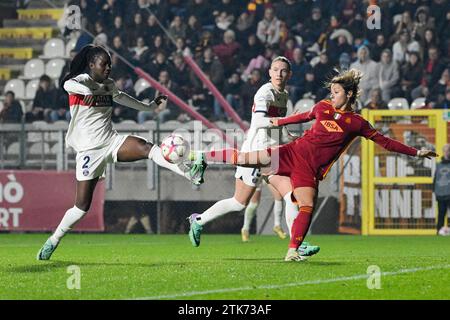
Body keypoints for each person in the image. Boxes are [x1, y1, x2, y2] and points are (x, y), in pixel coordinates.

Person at [189, 69, 438, 261]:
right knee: (245, 162)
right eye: (331, 91)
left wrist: (416, 151)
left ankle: (293, 250)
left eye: (336, 92)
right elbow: (298, 118)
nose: (332, 95)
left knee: (303, 204)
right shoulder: (322, 107)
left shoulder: (357, 123)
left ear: (349, 94)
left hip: (308, 170)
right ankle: (201, 156)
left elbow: (385, 142)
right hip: (290, 152)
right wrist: (274, 123)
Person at [36, 45, 207, 261]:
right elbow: (67, 83)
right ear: (91, 65)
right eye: (103, 64)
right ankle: (53, 240)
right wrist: (88, 92)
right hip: (89, 151)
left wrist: (149, 107)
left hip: (111, 140)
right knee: (81, 208)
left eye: (109, 64)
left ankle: (190, 173)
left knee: (148, 148)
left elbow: (123, 98)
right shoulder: (80, 82)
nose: (108, 68)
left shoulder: (108, 85)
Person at [186, 56, 319, 257]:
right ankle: (199, 217)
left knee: (290, 196)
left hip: (272, 154)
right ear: (269, 72)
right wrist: (285, 121)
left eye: (283, 71)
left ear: (289, 74)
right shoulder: (264, 92)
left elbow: (277, 127)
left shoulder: (284, 97)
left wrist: (288, 135)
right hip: (256, 150)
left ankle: (296, 244)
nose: (279, 74)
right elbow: (258, 122)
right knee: (240, 203)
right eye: (275, 70)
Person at [433, 144, 450, 236]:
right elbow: (435, 179)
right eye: (445, 150)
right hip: (441, 194)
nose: (447, 152)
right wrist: (435, 191)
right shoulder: (439, 165)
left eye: (448, 150)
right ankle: (439, 231)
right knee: (441, 214)